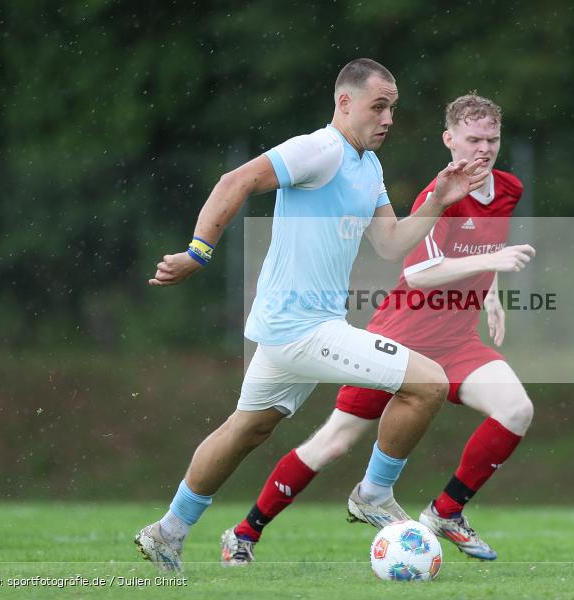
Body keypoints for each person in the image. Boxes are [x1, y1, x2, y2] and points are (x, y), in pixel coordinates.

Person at [134, 58, 489, 572]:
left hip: (297, 326)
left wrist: (438, 199)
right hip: (302, 327)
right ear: (345, 103)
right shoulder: (318, 149)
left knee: (247, 430)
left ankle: (168, 531)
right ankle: (374, 493)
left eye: (393, 108)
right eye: (379, 106)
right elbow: (235, 181)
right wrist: (198, 252)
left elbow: (390, 244)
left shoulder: (367, 166)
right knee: (429, 383)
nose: (388, 118)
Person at [219, 94, 535, 565]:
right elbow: (422, 271)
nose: (483, 149)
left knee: (516, 410)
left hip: (457, 340)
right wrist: (493, 262)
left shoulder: (509, 188)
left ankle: (446, 511)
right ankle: (244, 533)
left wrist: (488, 294)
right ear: (449, 140)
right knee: (336, 441)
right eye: (472, 140)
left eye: (491, 139)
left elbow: (477, 244)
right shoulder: (439, 194)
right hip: (405, 334)